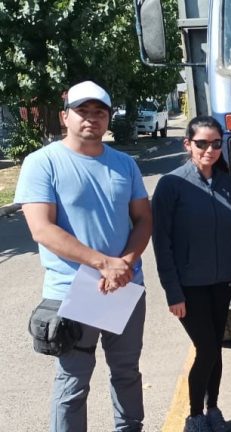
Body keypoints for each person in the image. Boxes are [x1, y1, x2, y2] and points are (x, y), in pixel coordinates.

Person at [15, 81, 152, 431]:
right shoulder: (42, 163)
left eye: (99, 112)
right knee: (73, 383)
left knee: (126, 374)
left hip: (124, 287)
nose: (91, 118)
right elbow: (42, 229)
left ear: (108, 118)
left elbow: (143, 219)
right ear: (65, 116)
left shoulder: (125, 164)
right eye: (82, 111)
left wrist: (124, 264)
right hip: (73, 291)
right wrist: (104, 264)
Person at [151, 116, 231, 432]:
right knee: (208, 349)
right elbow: (162, 241)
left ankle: (213, 408)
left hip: (221, 282)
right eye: (202, 143)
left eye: (216, 143)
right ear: (188, 144)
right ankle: (194, 415)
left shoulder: (228, 183)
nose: (210, 150)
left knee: (215, 350)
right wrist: (172, 292)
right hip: (189, 287)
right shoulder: (171, 184)